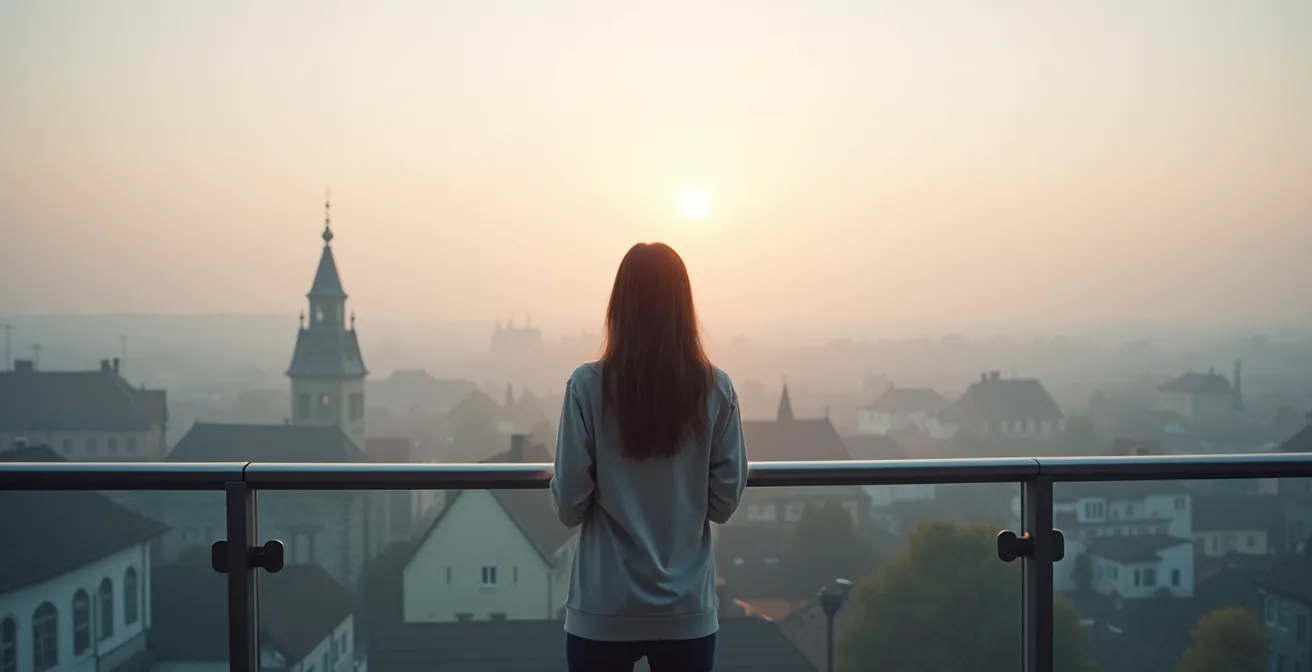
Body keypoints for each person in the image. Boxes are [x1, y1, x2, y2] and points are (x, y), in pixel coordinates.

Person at [550, 242, 748, 672]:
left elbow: (568, 505)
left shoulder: (586, 387)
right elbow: (724, 503)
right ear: (684, 307)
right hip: (686, 610)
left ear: (619, 307)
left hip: (603, 607)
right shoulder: (716, 390)